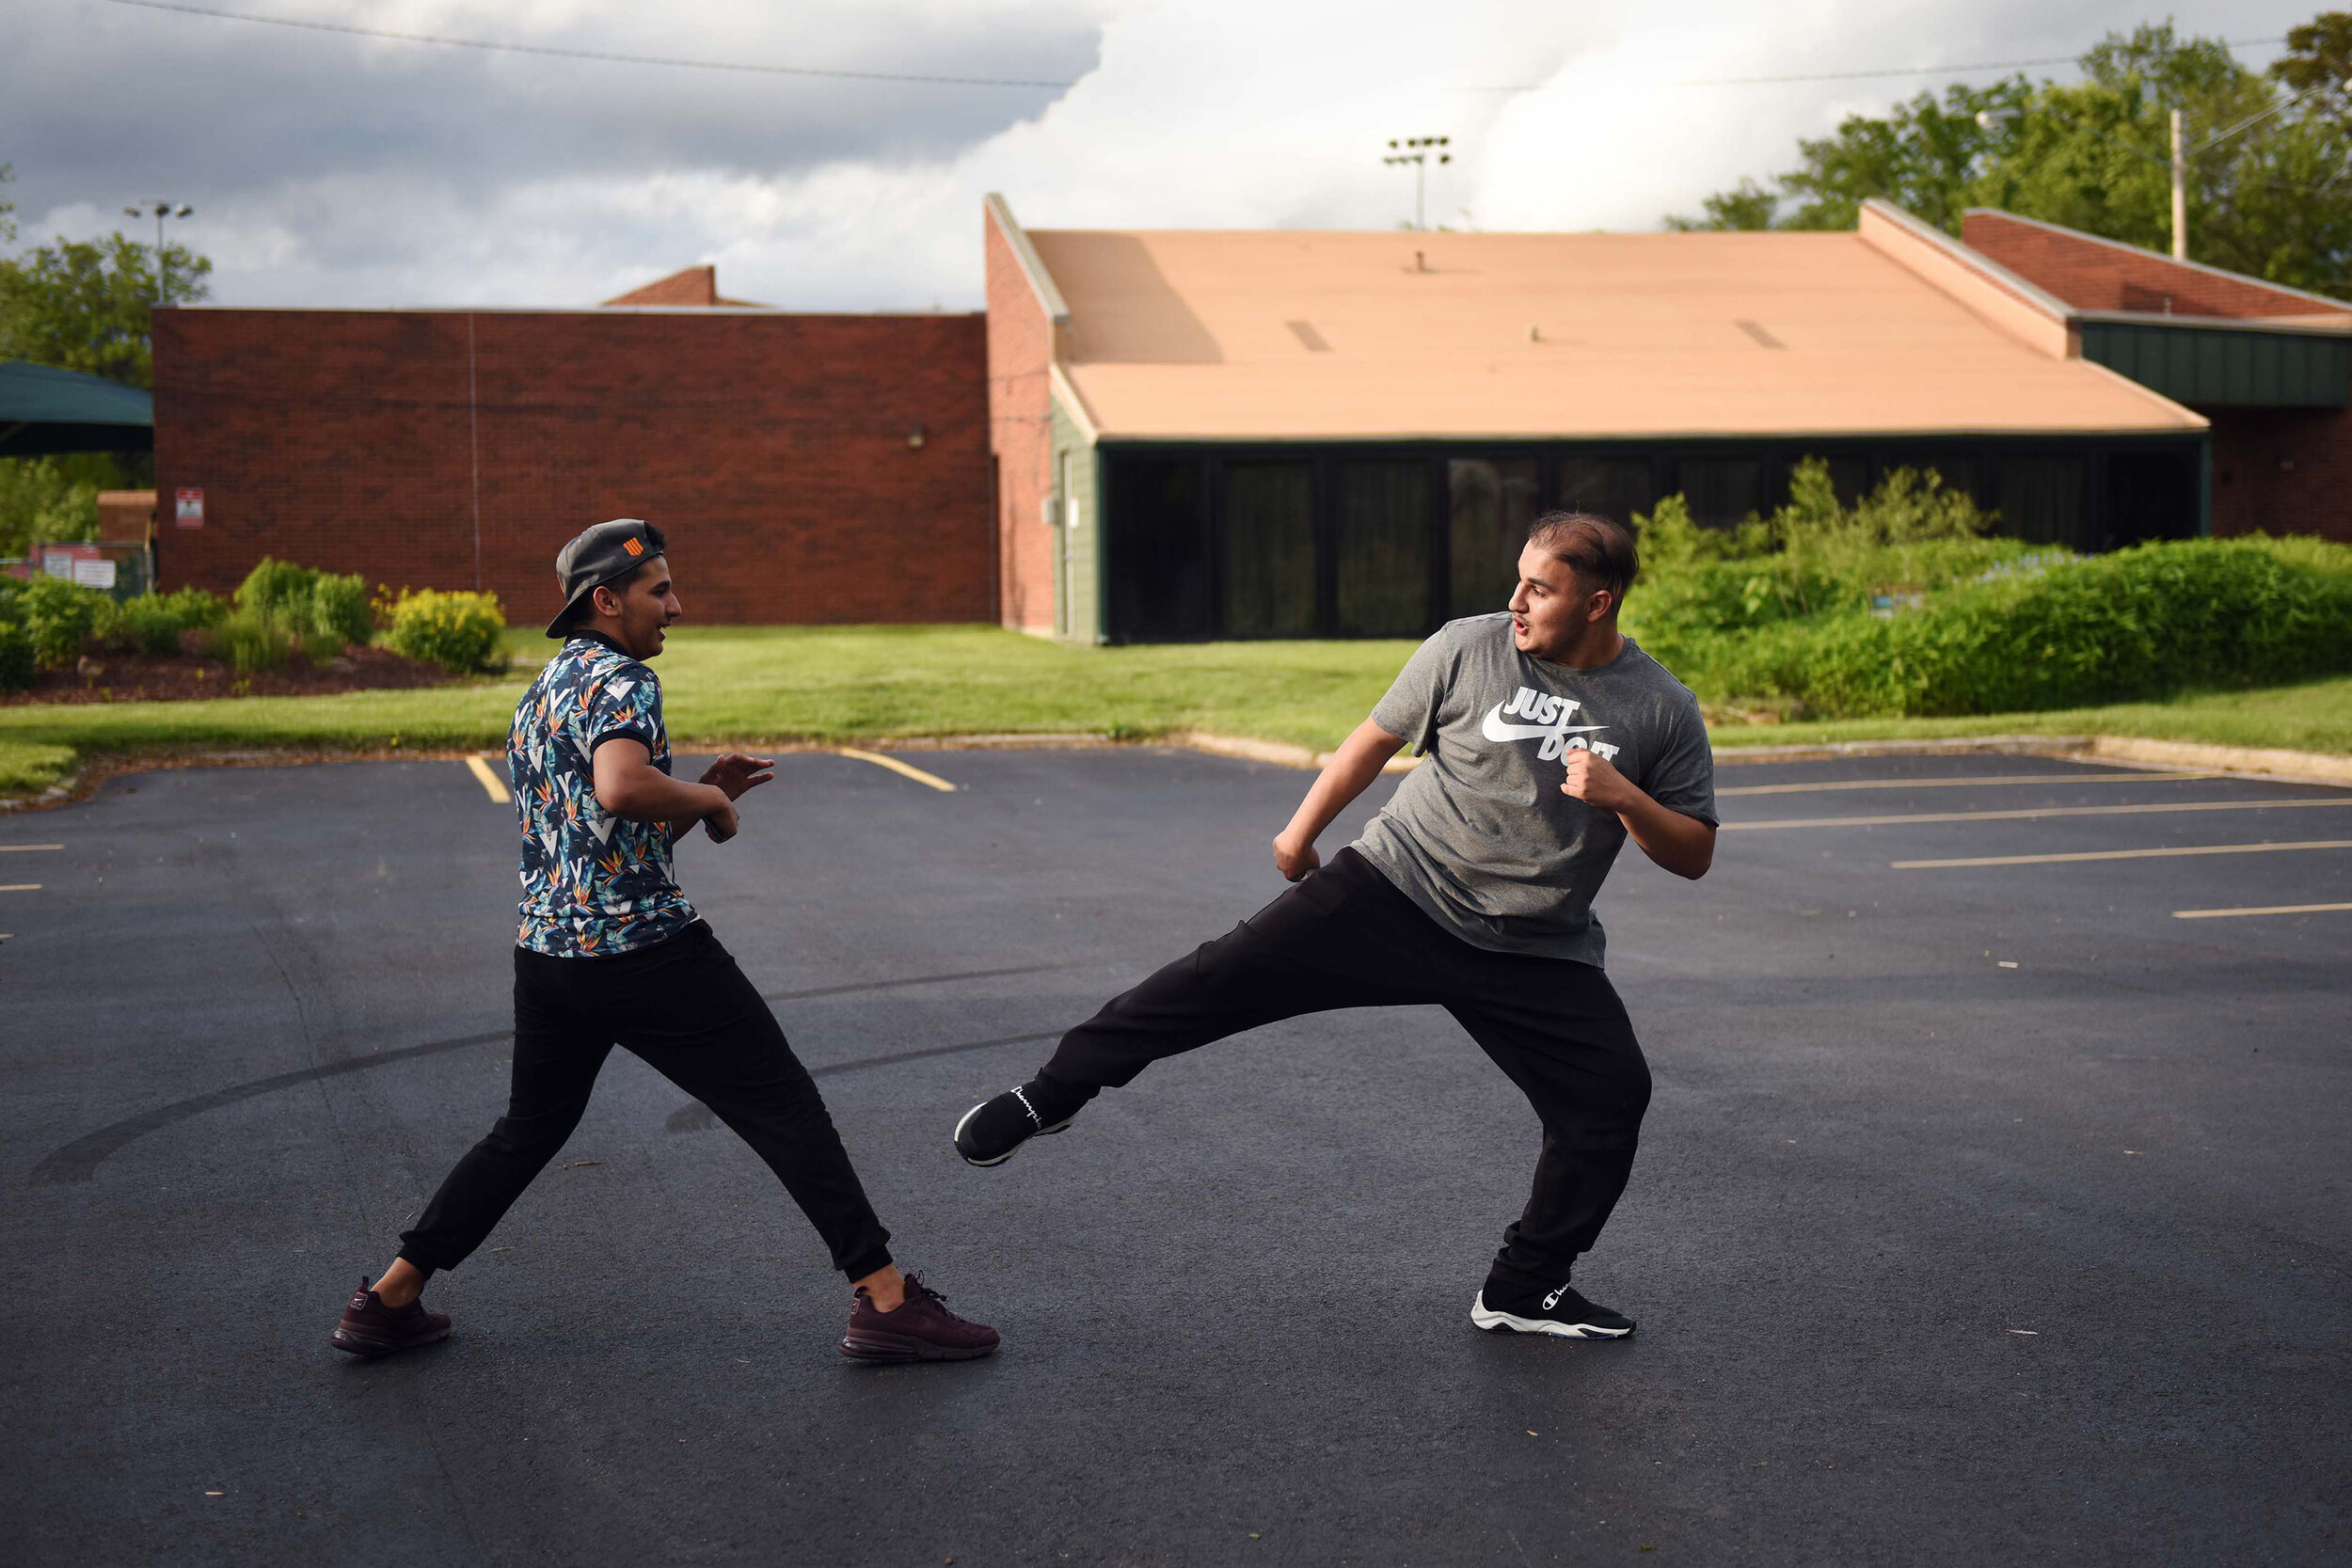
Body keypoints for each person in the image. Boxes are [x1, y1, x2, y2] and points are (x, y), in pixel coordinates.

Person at [953, 512, 1714, 1339]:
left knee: (1610, 1100)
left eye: (1540, 587)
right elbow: (1375, 737)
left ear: (1599, 603)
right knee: (1213, 980)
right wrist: (1299, 830)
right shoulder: (1469, 647)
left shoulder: (1661, 707)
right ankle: (1052, 1093)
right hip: (1397, 887)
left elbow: (1694, 852)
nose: (1516, 599)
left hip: (1535, 946)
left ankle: (1525, 1286)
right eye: (1519, 578)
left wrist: (1626, 799)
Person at [334, 518, 997, 1364]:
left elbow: (598, 839)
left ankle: (391, 1294)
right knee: (783, 1102)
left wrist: (693, 795)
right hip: (645, 953)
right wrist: (711, 803)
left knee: (525, 1131)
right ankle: (888, 1299)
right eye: (659, 592)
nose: (675, 606)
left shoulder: (544, 691)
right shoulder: (622, 679)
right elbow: (618, 786)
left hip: (548, 958)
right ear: (604, 601)